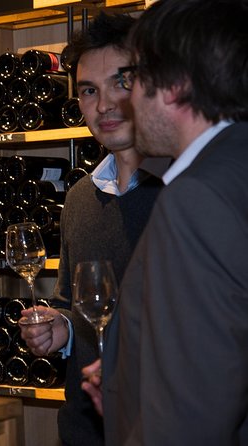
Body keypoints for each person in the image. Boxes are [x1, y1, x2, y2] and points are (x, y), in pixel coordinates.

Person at [82, 0, 248, 443]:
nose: (125, 98)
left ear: (173, 86)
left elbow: (189, 413)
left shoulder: (194, 199)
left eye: (134, 80)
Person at [19, 12, 165, 446]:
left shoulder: (184, 194)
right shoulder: (81, 199)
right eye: (88, 91)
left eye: (121, 82)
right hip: (85, 431)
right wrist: (59, 328)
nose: (104, 105)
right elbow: (73, 302)